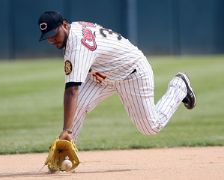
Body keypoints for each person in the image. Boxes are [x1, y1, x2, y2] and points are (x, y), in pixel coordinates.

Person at [38, 11, 196, 143]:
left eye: (54, 33)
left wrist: (66, 129)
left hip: (132, 73)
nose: (51, 39)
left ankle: (179, 86)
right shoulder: (74, 28)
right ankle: (66, 150)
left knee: (150, 127)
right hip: (102, 76)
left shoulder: (77, 45)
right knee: (77, 106)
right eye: (47, 36)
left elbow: (72, 90)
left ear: (65, 25)